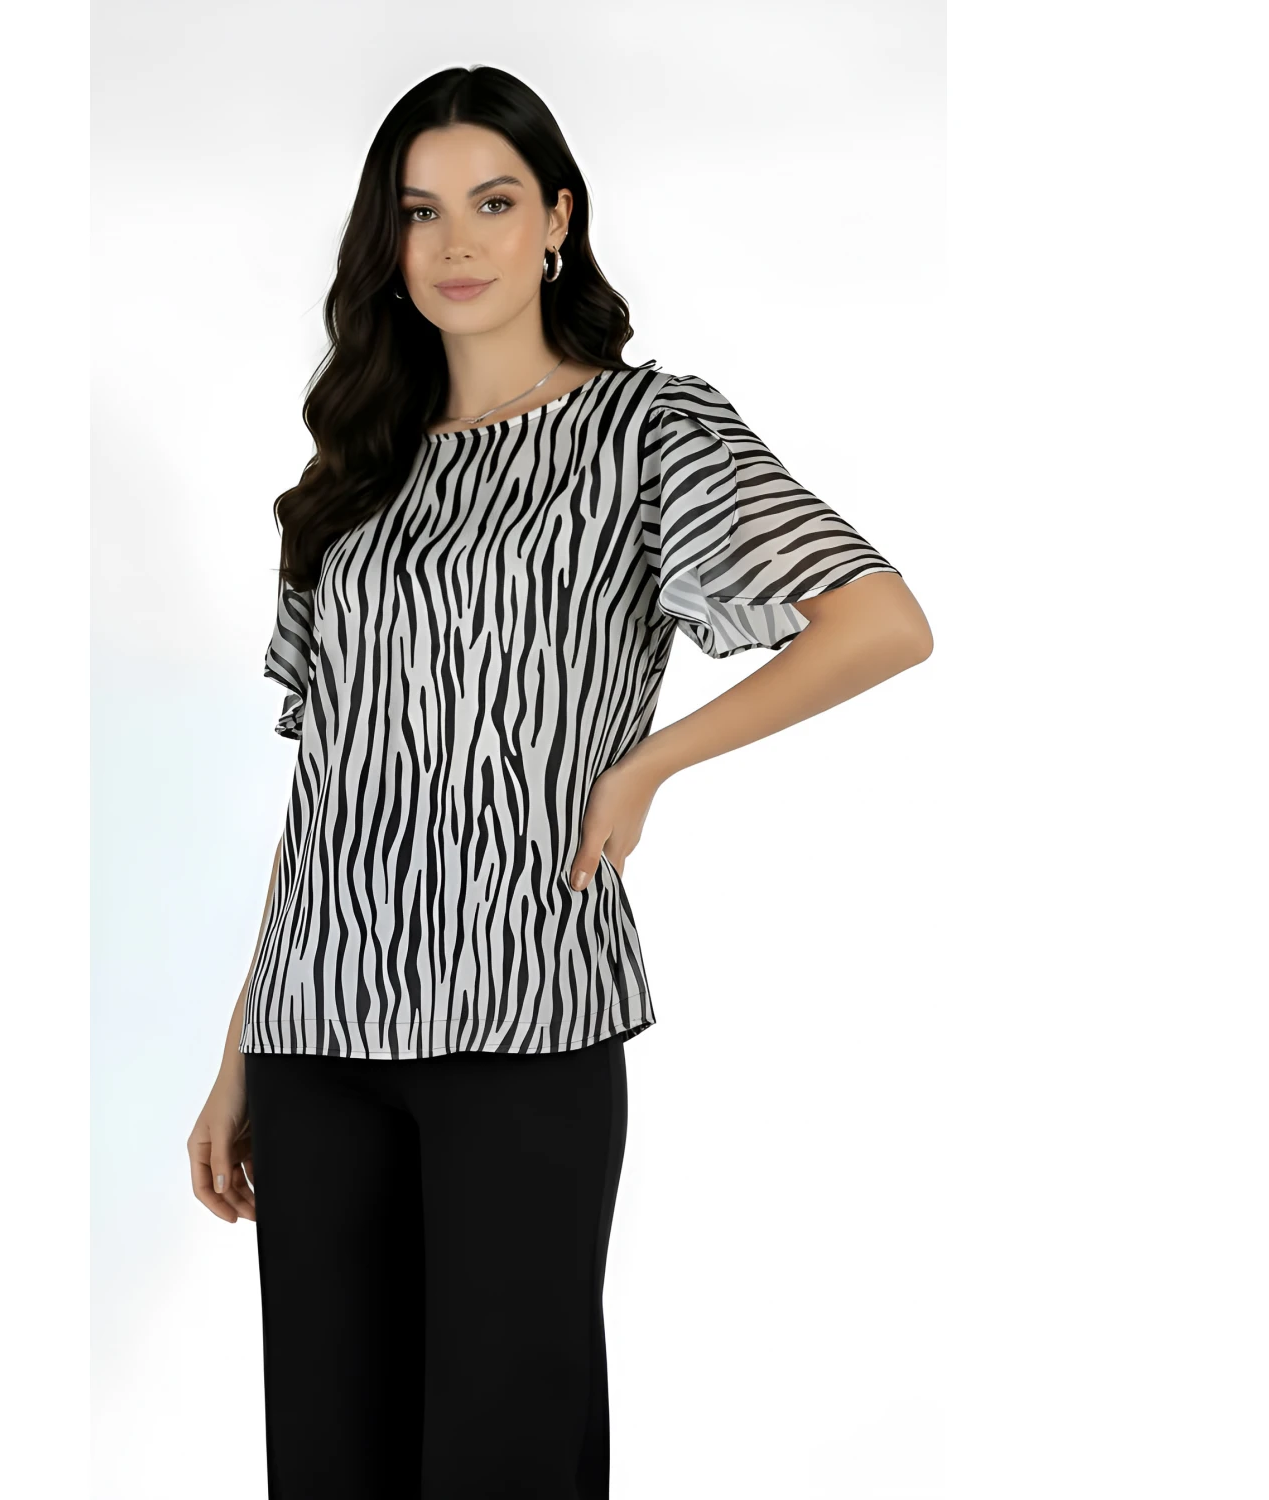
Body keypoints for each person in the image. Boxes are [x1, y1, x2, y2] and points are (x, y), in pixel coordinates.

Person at [187, 65, 933, 1500]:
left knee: (507, 1454)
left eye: (493, 202)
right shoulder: (356, 473)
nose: (456, 242)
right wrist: (236, 1056)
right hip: (314, 1032)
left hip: (526, 1012)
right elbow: (330, 782)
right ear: (387, 241)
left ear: (557, 222)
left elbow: (879, 620)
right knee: (329, 1461)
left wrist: (651, 761)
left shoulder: (647, 431)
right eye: (421, 212)